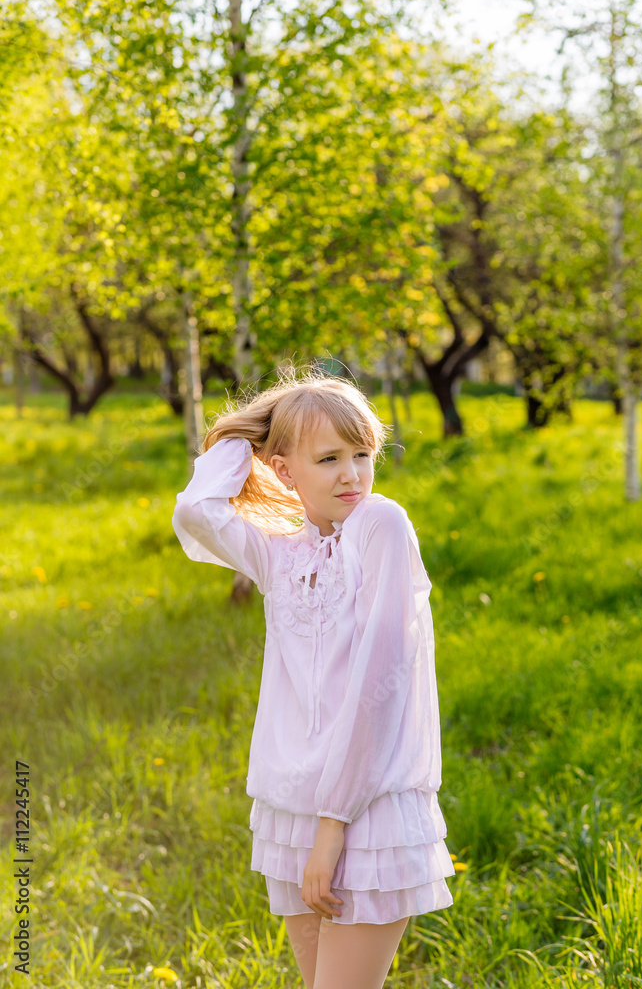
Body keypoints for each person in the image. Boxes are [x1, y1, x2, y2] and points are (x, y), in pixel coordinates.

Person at [171, 369, 456, 989]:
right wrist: (253, 432)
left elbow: (382, 685)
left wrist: (333, 827)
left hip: (366, 815)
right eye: (328, 459)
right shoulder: (279, 550)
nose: (352, 475)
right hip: (292, 811)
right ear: (282, 469)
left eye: (362, 455)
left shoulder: (382, 526)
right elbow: (195, 510)